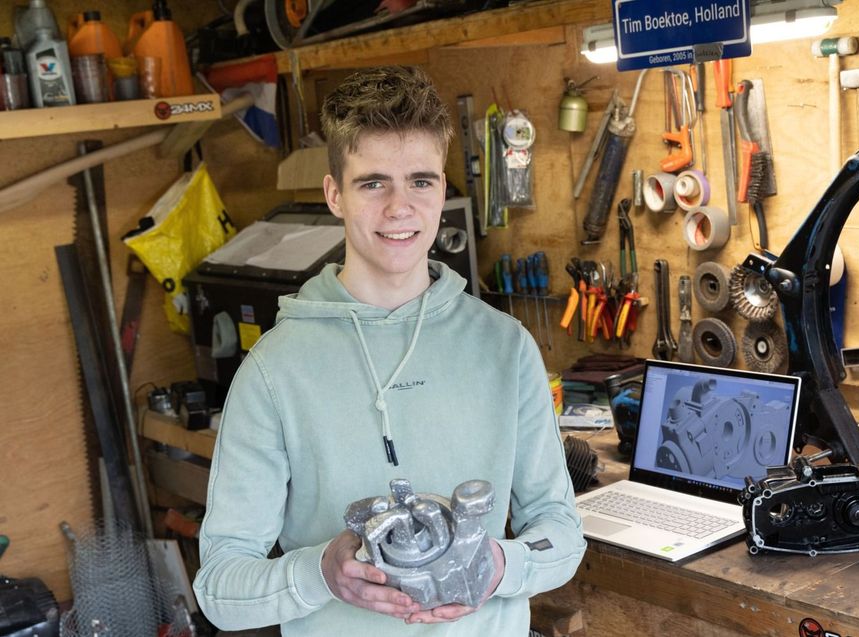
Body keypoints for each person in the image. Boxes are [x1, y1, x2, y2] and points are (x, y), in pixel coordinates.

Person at [192, 65, 586, 636]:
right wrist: (321, 574)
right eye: (373, 182)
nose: (401, 207)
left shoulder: (506, 348)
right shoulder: (275, 370)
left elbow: (561, 533)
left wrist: (501, 566)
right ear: (334, 195)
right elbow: (220, 589)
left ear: (443, 191)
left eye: (421, 181)